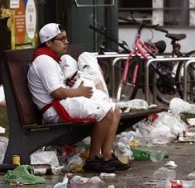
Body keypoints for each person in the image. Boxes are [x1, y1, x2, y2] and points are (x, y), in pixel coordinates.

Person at [27, 23, 128, 173]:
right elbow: (56, 93)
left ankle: (107, 156)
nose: (66, 42)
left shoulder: (50, 59)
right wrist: (79, 92)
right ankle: (93, 158)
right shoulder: (44, 61)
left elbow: (57, 87)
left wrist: (69, 83)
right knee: (105, 112)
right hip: (54, 109)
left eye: (66, 38)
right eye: (62, 39)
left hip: (62, 103)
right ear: (48, 42)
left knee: (115, 110)